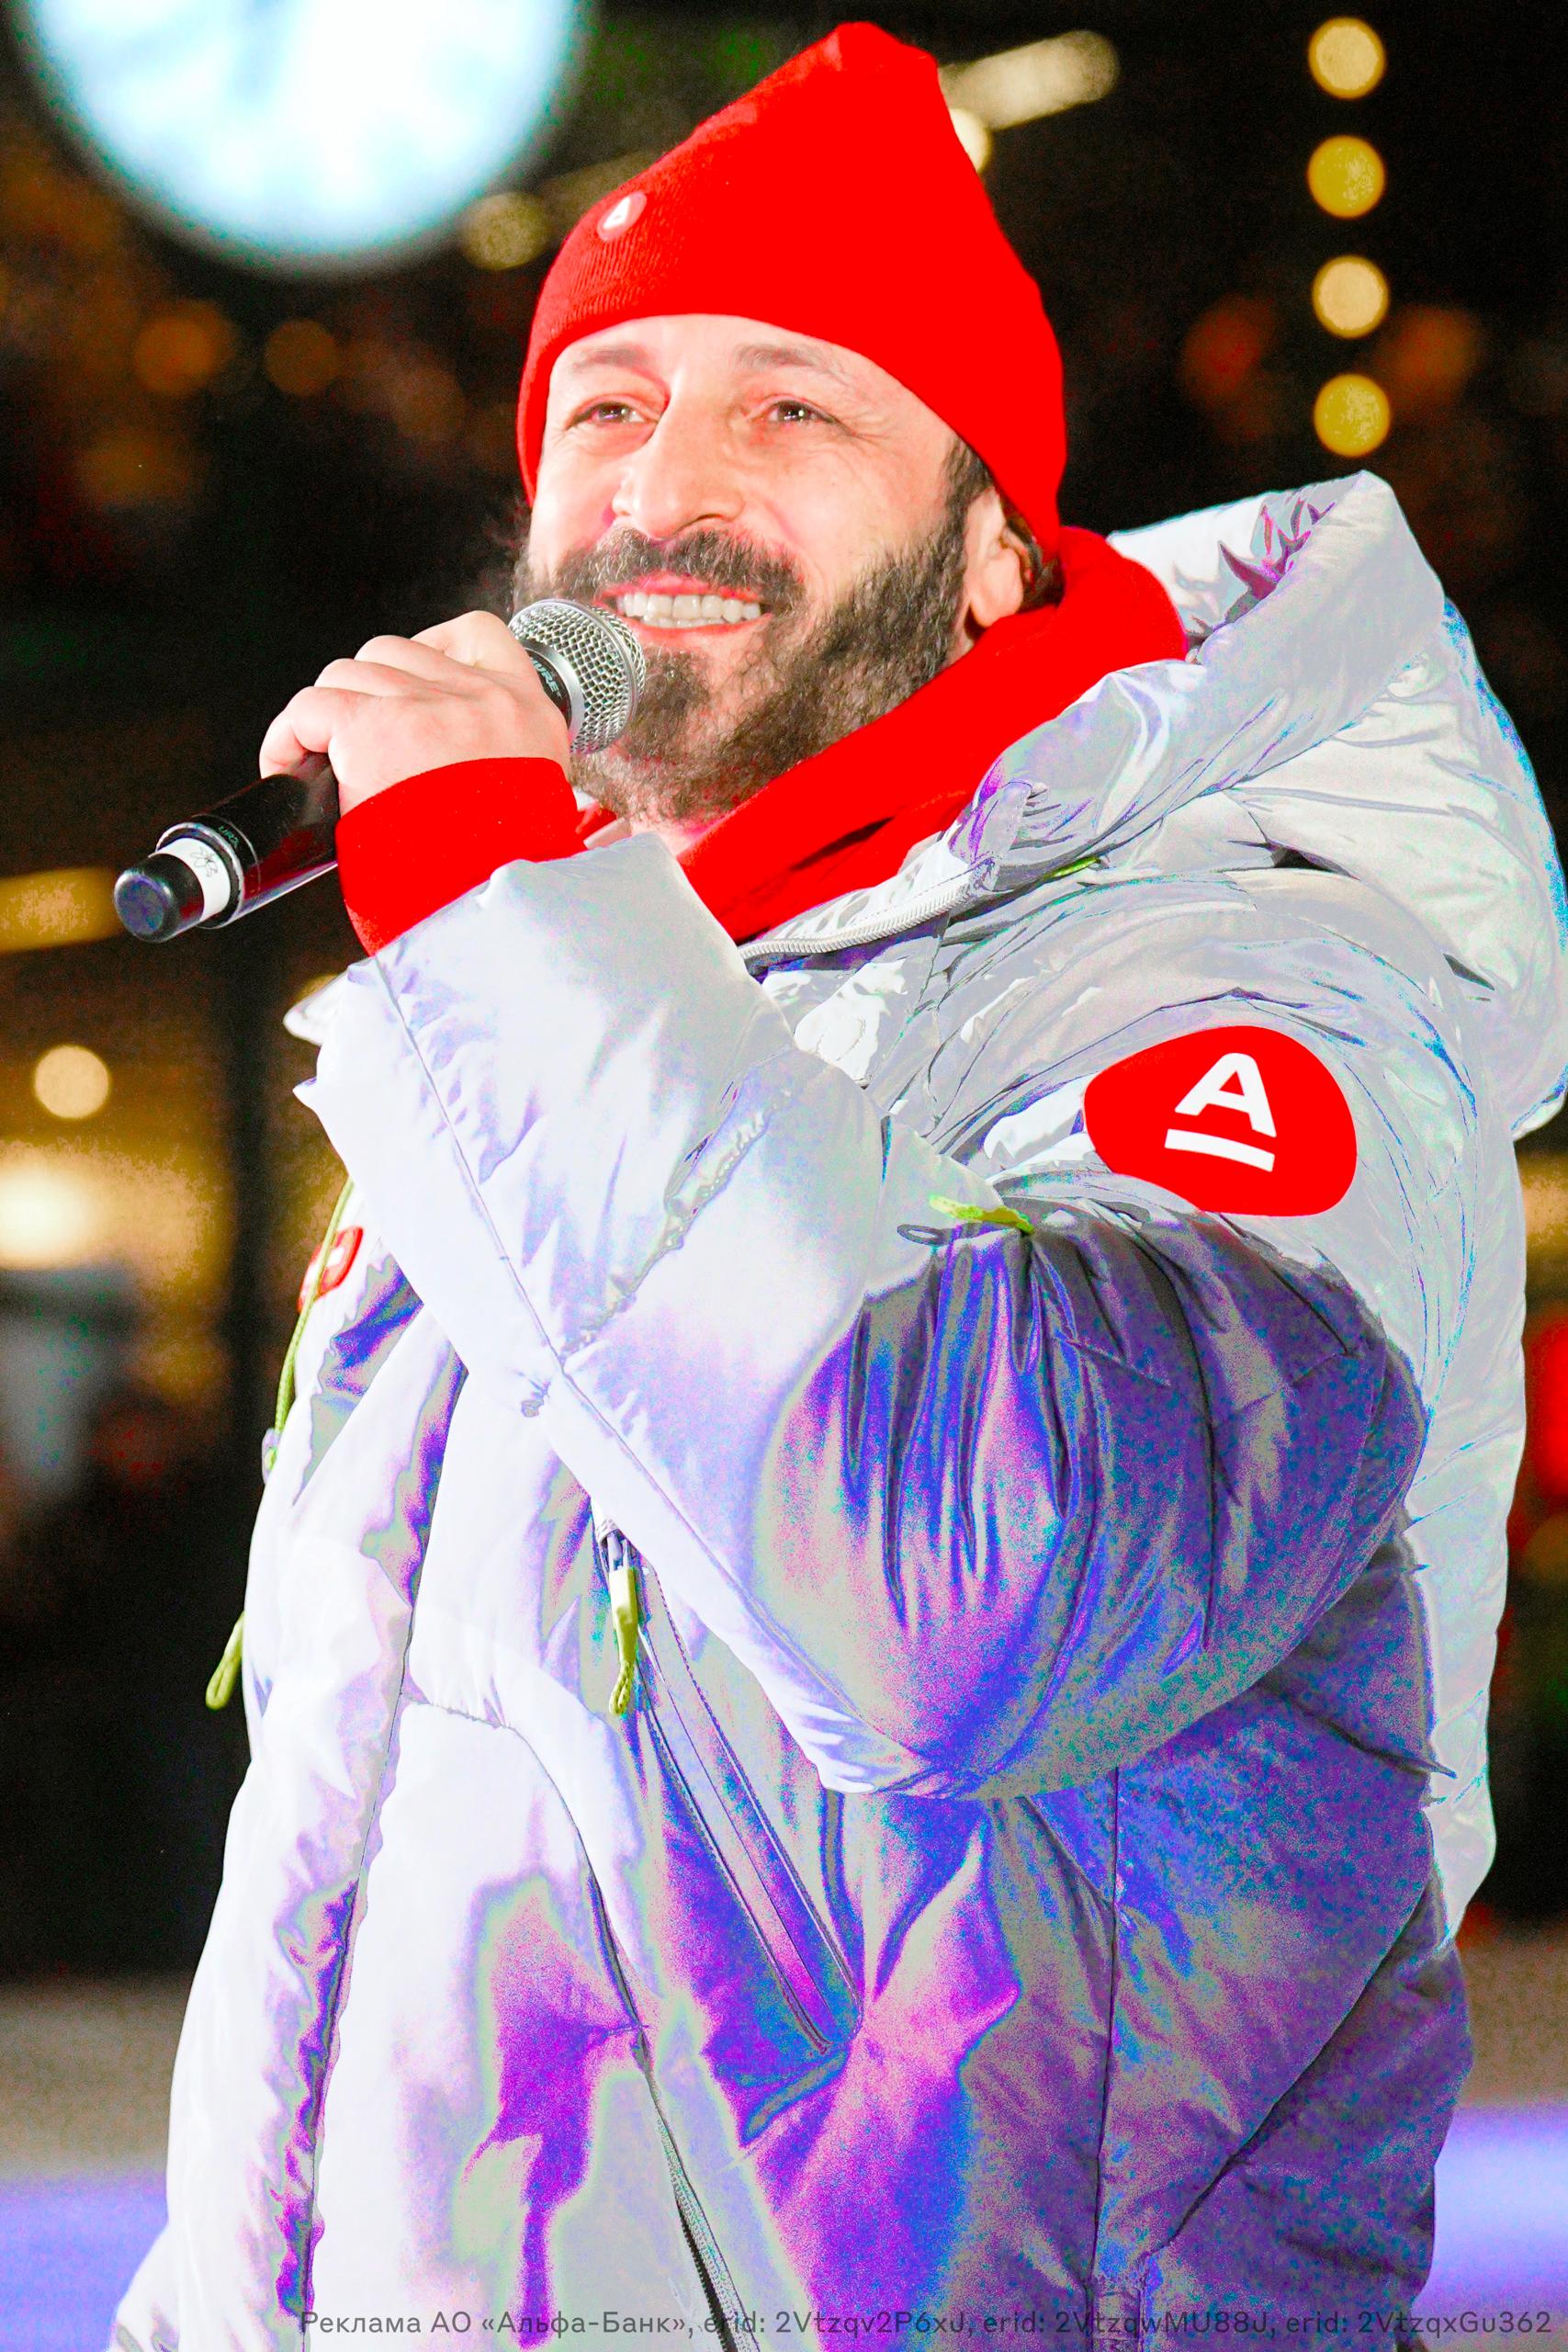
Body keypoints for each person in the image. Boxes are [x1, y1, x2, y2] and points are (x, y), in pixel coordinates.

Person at [115, 25, 1568, 2343]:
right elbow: (360, 1876)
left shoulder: (1244, 990)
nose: (662, 484)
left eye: (791, 406)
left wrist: (498, 905)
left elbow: (975, 1603)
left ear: (992, 554)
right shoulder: (555, 1026)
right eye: (606, 406)